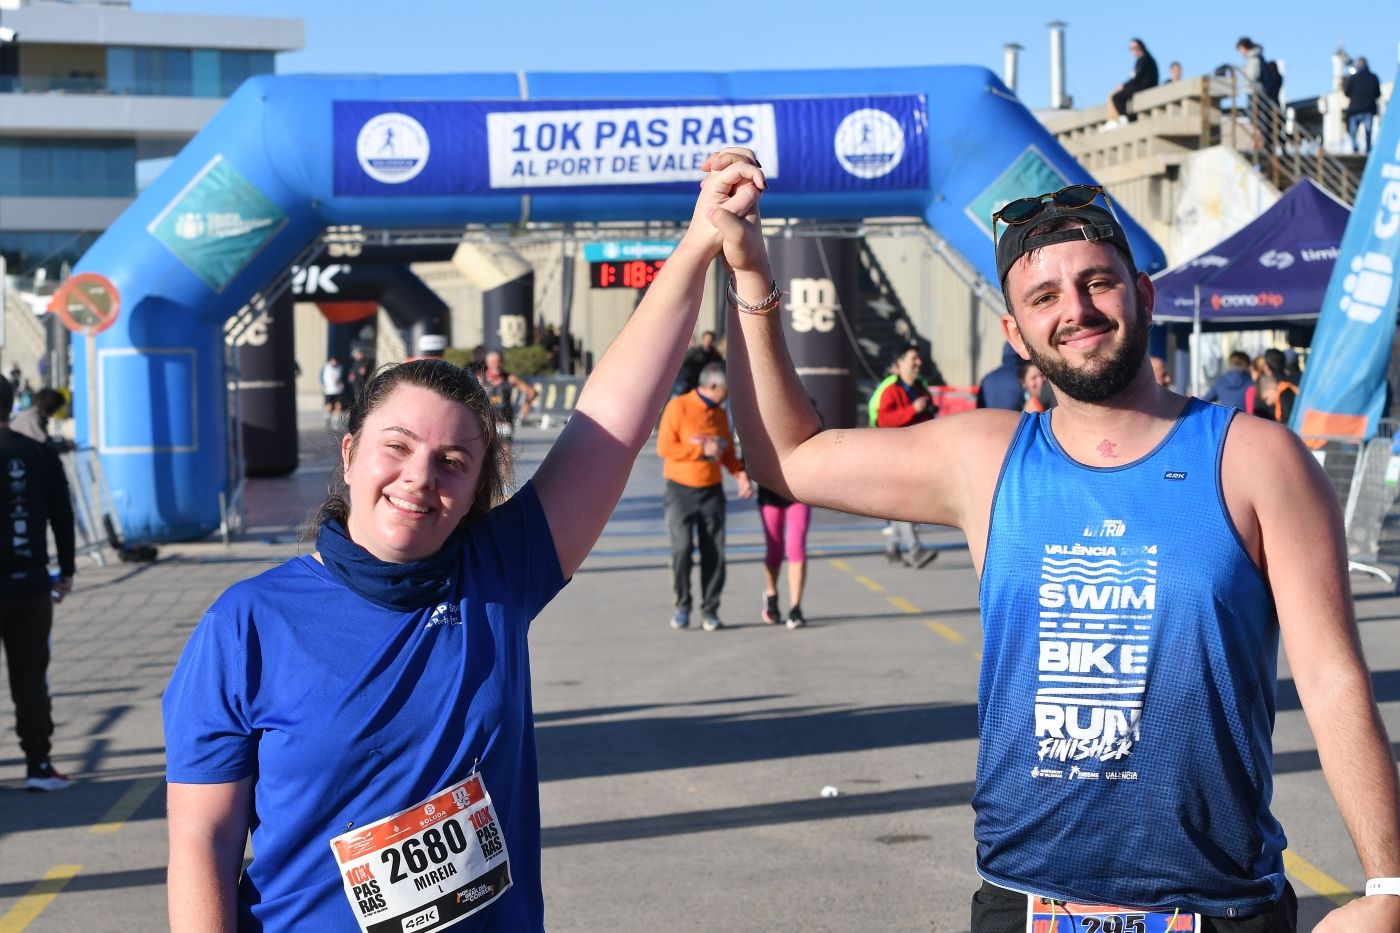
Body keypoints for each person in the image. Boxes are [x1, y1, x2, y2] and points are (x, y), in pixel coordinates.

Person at [714, 149, 1400, 931]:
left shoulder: (1255, 458)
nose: (1075, 307)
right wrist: (748, 270)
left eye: (1097, 281)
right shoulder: (986, 459)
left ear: (1141, 294)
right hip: (1026, 907)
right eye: (1044, 295)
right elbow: (787, 456)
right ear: (1016, 331)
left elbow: (1332, 676)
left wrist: (1389, 885)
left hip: (1218, 909)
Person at [162, 152, 770, 931]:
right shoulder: (245, 624)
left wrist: (695, 243)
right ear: (348, 454)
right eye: (397, 446)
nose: (420, 477)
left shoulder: (497, 570)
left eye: (453, 461)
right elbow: (202, 843)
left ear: (476, 487)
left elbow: (614, 417)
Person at [0, 378, 76, 792]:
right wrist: (66, 570)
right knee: (30, 677)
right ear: (12, 405)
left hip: (24, 584)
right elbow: (61, 516)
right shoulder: (39, 453)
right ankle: (39, 765)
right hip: (28, 584)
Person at [656, 361, 753, 631]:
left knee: (715, 551)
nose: (728, 395)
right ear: (712, 386)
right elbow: (665, 448)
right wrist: (700, 451)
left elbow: (726, 454)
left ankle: (710, 609)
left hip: (711, 490)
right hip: (679, 489)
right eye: (725, 390)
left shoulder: (720, 414)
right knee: (682, 548)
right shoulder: (679, 407)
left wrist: (740, 475)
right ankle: (683, 606)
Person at [874, 345, 938, 568]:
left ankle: (892, 548)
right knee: (905, 504)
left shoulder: (921, 387)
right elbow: (884, 421)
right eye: (913, 358)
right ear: (900, 364)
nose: (918, 362)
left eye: (919, 358)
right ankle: (915, 549)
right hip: (894, 458)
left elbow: (930, 420)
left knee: (903, 505)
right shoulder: (891, 390)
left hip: (918, 456)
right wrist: (912, 409)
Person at [757, 483, 811, 629]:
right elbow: (749, 460)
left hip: (799, 494)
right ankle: (771, 593)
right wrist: (743, 474)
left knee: (796, 548)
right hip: (769, 493)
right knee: (775, 551)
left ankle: (795, 608)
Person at [478, 349, 539, 455]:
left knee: (506, 454)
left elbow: (532, 392)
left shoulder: (510, 378)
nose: (497, 365)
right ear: (487, 364)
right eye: (493, 363)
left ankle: (506, 472)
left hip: (504, 420)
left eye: (499, 362)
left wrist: (527, 404)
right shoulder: (480, 379)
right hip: (487, 422)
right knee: (487, 455)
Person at [1105, 37, 1159, 127]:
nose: (1132, 51)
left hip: (1144, 86)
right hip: (1141, 84)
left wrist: (1124, 86)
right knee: (1112, 95)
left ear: (1140, 47)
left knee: (1116, 96)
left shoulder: (1145, 59)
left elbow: (1137, 77)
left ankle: (1122, 119)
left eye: (1133, 48)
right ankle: (1113, 119)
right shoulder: (1140, 60)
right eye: (1130, 49)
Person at [1344, 56, 1382, 155]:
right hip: (1368, 108)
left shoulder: (1353, 78)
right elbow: (1378, 93)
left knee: (1353, 132)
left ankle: (1355, 147)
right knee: (1368, 131)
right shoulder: (1373, 77)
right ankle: (1368, 149)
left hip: (1355, 108)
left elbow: (1346, 92)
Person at [976, 343, 1026, 411]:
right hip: (1014, 420)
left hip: (989, 420)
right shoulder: (1023, 377)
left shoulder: (988, 378)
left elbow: (979, 408)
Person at [676, 329, 724, 395]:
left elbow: (721, 366)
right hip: (692, 383)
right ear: (703, 339)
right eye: (707, 339)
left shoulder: (715, 355)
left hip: (707, 383)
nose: (708, 341)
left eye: (710, 339)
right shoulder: (694, 352)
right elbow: (684, 364)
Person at [320, 356, 345, 429]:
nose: (334, 362)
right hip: (329, 391)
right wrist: (323, 384)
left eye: (335, 361)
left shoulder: (340, 367)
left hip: (337, 390)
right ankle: (327, 417)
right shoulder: (326, 367)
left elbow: (341, 377)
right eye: (333, 361)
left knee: (338, 406)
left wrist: (341, 384)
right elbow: (321, 375)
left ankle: (335, 421)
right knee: (329, 406)